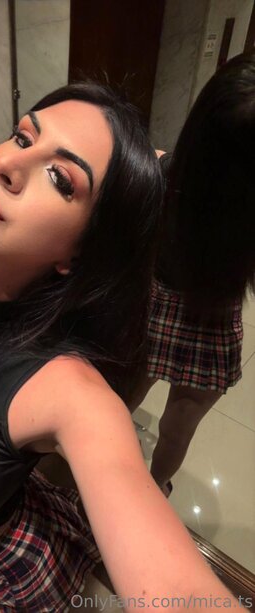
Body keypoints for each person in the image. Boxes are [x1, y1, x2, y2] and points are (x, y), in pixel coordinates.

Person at [0, 82, 243, 612]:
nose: (8, 163)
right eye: (23, 137)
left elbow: (176, 588)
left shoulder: (70, 391)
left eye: (60, 177)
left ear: (78, 252)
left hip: (8, 575)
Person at [129, 52, 255, 497]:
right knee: (178, 428)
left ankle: (110, 478)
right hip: (213, 321)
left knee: (122, 399)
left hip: (154, 306)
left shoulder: (161, 174)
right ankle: (153, 490)